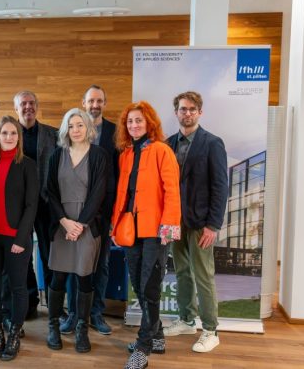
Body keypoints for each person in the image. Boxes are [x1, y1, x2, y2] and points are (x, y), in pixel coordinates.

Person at [112, 101, 180, 369]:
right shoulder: (125, 154)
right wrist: (114, 226)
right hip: (130, 231)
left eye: (139, 120)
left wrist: (169, 226)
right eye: (130, 121)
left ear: (149, 122)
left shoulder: (162, 151)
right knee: (139, 287)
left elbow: (172, 190)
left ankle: (142, 346)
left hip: (155, 231)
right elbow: (122, 194)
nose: (134, 125)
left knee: (149, 287)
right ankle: (158, 336)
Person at [163, 91, 228, 353]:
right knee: (181, 273)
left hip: (201, 223)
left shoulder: (212, 143)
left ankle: (211, 330)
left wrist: (213, 225)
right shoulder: (168, 144)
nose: (187, 113)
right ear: (176, 112)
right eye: (182, 109)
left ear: (199, 112)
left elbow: (221, 186)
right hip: (175, 222)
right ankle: (187, 320)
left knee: (203, 276)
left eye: (192, 109)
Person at [0, 116, 39, 361]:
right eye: (4, 133)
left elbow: (31, 205)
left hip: (16, 239)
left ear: (19, 137)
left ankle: (14, 333)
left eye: (13, 133)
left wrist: (22, 239)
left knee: (17, 288)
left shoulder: (28, 165)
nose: (9, 137)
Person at [45, 108, 108, 354]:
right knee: (58, 277)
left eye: (80, 125)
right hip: (62, 224)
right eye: (71, 126)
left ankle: (82, 327)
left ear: (88, 127)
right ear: (65, 129)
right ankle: (53, 325)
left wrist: (80, 224)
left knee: (84, 277)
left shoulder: (99, 155)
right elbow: (49, 191)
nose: (76, 130)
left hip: (88, 224)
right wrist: (64, 221)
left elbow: (99, 192)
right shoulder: (56, 155)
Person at [64, 85, 117, 335]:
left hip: (102, 215)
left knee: (101, 266)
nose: (95, 105)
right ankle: (74, 314)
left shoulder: (115, 132)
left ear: (104, 103)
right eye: (91, 101)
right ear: (83, 103)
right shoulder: (71, 133)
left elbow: (117, 176)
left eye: (99, 101)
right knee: (75, 265)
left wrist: (113, 214)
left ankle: (96, 313)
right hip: (74, 215)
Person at [13, 90, 58, 320]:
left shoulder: (53, 134)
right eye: (23, 104)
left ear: (37, 106)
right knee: (22, 255)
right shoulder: (9, 134)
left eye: (32, 103)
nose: (28, 107)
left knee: (49, 255)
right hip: (19, 207)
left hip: (46, 204)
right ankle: (29, 301)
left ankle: (54, 304)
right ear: (16, 108)